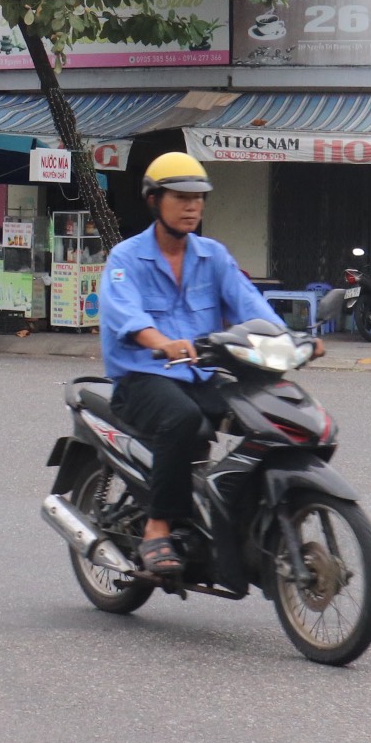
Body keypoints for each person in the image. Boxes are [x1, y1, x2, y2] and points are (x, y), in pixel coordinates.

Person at [94, 152, 281, 579]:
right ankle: (157, 526)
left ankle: (233, 512)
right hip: (143, 377)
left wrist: (289, 338)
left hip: (201, 374)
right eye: (180, 197)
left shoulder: (212, 256)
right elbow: (126, 314)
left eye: (198, 198)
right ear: (154, 200)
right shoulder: (126, 258)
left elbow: (251, 306)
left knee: (264, 413)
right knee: (182, 419)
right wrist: (160, 342)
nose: (192, 206)